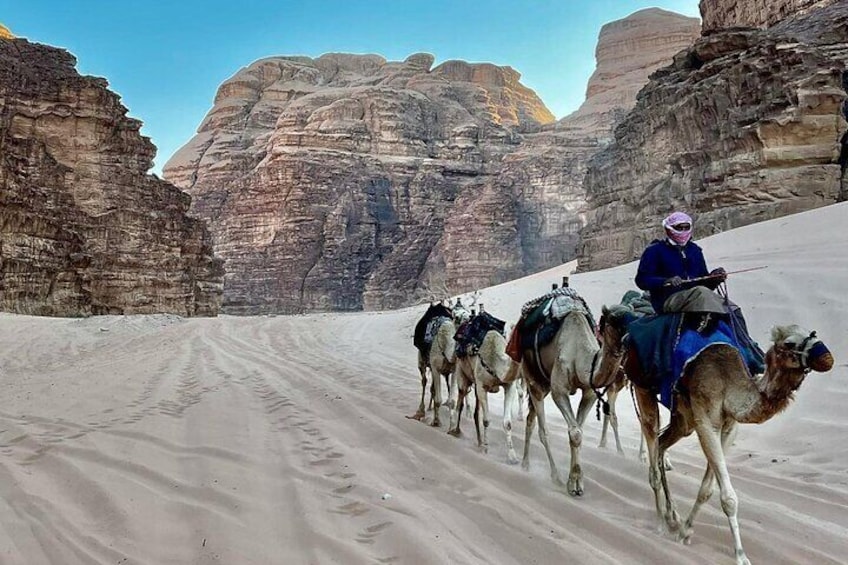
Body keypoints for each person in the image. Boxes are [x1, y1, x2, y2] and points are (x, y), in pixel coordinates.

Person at [635, 211, 727, 316]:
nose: (683, 231)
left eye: (686, 227)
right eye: (679, 228)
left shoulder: (695, 250)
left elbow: (703, 280)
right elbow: (641, 280)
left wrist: (714, 278)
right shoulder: (654, 251)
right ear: (668, 229)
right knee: (702, 293)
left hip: (697, 295)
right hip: (668, 300)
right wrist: (665, 281)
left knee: (731, 308)